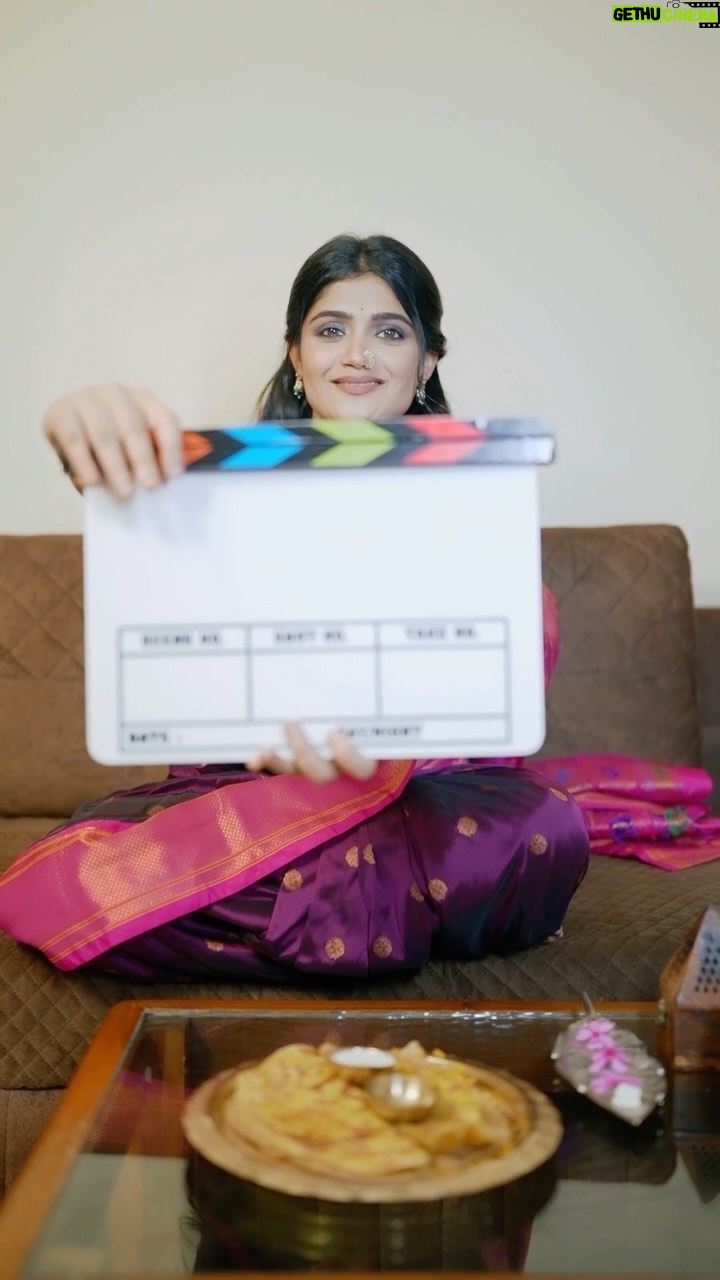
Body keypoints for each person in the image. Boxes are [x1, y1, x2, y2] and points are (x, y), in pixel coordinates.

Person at [0, 234, 591, 979]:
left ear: (427, 362)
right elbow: (149, 567)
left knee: (546, 828)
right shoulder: (219, 495)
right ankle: (361, 911)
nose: (358, 354)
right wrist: (84, 427)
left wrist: (395, 733)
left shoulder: (477, 505)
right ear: (297, 356)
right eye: (331, 328)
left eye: (390, 332)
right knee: (57, 881)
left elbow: (505, 686)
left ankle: (323, 908)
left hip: (422, 801)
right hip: (252, 796)